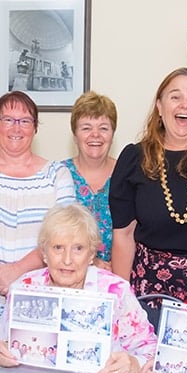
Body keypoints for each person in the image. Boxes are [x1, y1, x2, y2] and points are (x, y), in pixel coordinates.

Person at [109, 68, 187, 329]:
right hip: (148, 292)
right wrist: (121, 302)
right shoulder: (135, 159)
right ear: (159, 106)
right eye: (175, 96)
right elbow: (123, 235)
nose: (185, 104)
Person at [0, 91, 75, 339]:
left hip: (38, 303)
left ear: (35, 128)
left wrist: (16, 271)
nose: (16, 128)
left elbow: (64, 235)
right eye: (8, 119)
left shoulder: (57, 174)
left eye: (25, 121)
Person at [0, 204, 158, 373]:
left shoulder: (116, 291)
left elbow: (152, 352)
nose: (67, 260)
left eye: (78, 248)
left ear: (91, 254)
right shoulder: (24, 287)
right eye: (58, 248)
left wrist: (134, 365)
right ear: (44, 253)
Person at [61, 91, 118, 269]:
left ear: (112, 134)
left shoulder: (128, 175)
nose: (96, 135)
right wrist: (92, 263)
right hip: (69, 271)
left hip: (119, 274)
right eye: (86, 128)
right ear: (75, 136)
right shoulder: (58, 175)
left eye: (103, 128)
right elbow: (50, 235)